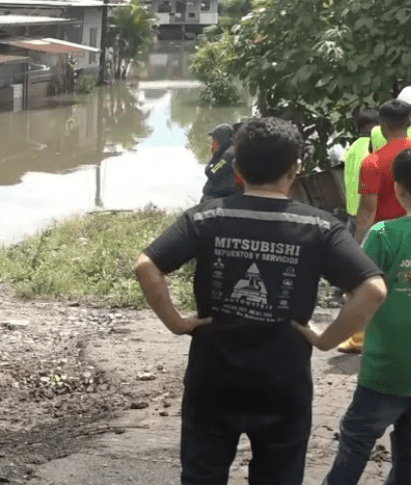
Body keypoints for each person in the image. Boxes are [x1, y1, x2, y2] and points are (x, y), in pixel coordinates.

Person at [134, 116, 386, 485]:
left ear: (237, 167)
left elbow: (147, 266)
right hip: (283, 383)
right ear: (295, 168)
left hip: (212, 378)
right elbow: (373, 289)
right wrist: (326, 339)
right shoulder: (319, 228)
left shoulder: (205, 217)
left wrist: (177, 323)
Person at [321, 148, 411, 484]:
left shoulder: (384, 235)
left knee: (356, 440)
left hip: (385, 367)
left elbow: (358, 290)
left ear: (399, 190)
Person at [345, 99, 411, 353]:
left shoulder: (373, 162)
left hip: (385, 239)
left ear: (382, 126)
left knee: (381, 293)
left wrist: (356, 245)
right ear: (408, 122)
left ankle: (366, 340)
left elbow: (367, 211)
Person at [201, 123, 240, 202]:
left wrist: (214, 156)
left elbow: (212, 172)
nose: (213, 143)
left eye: (214, 140)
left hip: (219, 199)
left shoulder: (229, 154)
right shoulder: (229, 152)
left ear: (220, 140)